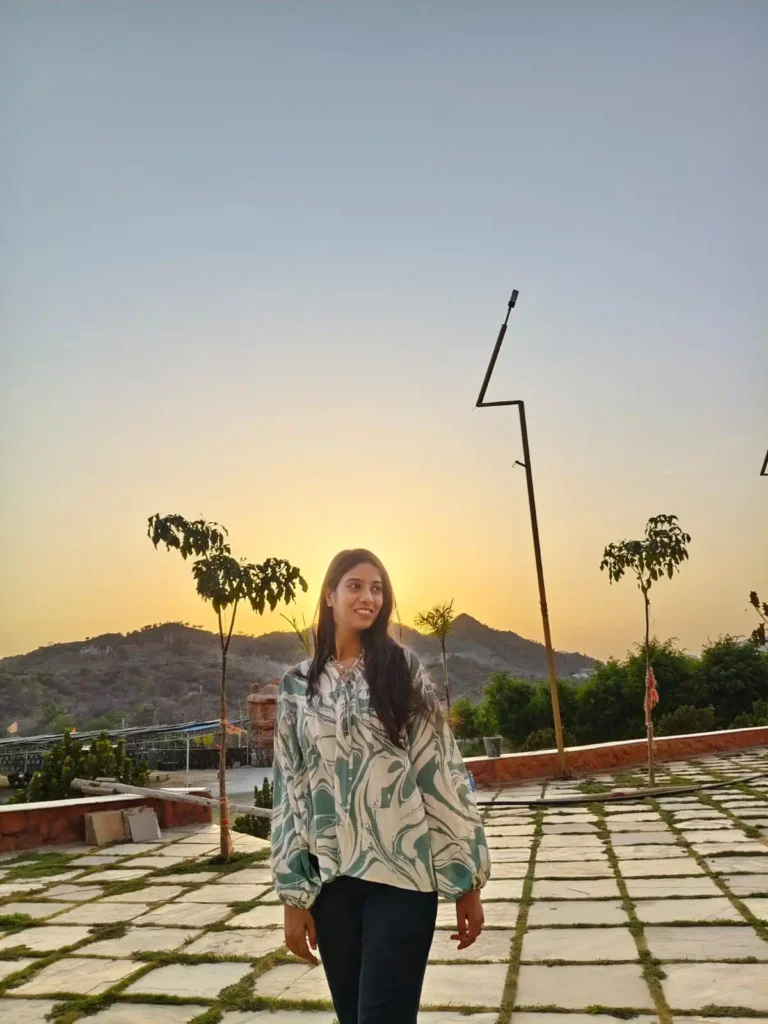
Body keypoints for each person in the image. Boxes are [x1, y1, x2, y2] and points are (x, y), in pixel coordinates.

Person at [271, 548, 491, 1024]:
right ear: (329, 595)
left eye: (377, 589)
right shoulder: (296, 686)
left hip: (404, 877)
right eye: (355, 586)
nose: (368, 598)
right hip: (332, 885)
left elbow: (440, 772)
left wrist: (466, 880)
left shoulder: (401, 669)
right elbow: (290, 792)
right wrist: (294, 895)